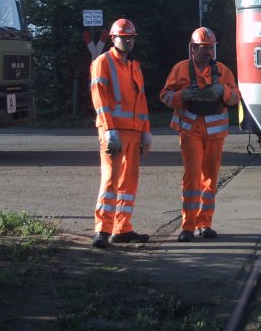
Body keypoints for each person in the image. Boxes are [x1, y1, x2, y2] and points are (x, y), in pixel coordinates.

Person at [160, 27, 241, 241]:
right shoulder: (181, 69)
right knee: (192, 177)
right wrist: (183, 95)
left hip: (215, 135)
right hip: (190, 132)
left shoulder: (223, 71)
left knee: (210, 179)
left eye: (211, 48)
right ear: (193, 48)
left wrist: (222, 91)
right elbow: (165, 96)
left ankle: (205, 224)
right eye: (204, 48)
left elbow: (235, 98)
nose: (208, 52)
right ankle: (187, 226)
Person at [89, 18, 152, 249]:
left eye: (130, 38)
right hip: (113, 132)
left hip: (134, 133)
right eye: (123, 37)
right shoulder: (103, 62)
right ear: (113, 38)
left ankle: (122, 229)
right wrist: (108, 129)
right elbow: (99, 97)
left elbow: (141, 101)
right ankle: (102, 231)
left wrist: (146, 132)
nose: (127, 41)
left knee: (129, 182)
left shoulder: (134, 66)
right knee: (110, 180)